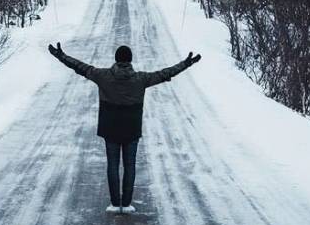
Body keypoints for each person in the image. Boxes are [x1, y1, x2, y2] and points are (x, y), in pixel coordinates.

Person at [48, 42, 201, 214]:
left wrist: (61, 56)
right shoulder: (141, 79)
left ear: (116, 59)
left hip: (110, 129)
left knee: (112, 165)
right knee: (130, 165)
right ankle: (126, 204)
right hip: (131, 129)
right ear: (130, 60)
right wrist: (186, 63)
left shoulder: (102, 75)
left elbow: (80, 67)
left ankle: (114, 203)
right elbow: (165, 73)